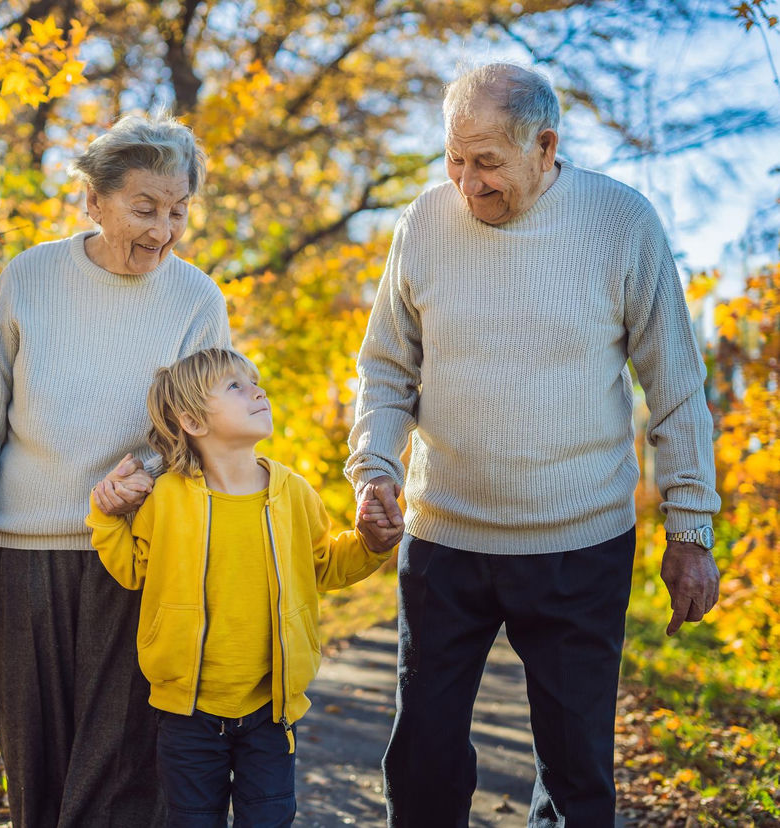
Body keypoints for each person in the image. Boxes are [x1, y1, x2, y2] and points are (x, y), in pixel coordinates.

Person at [347, 63, 721, 828]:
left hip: (579, 545)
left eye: (487, 162)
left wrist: (691, 528)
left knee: (578, 772)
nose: (467, 183)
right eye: (455, 158)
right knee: (422, 760)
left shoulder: (621, 223)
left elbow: (675, 386)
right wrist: (374, 470)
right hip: (446, 538)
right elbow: (387, 370)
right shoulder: (423, 222)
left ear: (546, 146)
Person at [0, 113, 232, 828]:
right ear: (93, 201)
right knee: (36, 774)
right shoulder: (30, 278)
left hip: (133, 562)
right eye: (145, 208)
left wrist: (151, 464)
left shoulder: (197, 299)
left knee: (122, 775)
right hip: (18, 563)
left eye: (178, 211)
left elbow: (209, 421)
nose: (163, 231)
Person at [86, 348, 400, 827]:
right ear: (191, 420)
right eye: (235, 386)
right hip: (187, 712)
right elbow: (132, 568)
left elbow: (326, 566)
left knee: (269, 820)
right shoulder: (167, 497)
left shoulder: (292, 492)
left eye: (254, 381)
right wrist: (106, 518)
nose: (258, 390)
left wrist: (371, 544)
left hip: (270, 711)